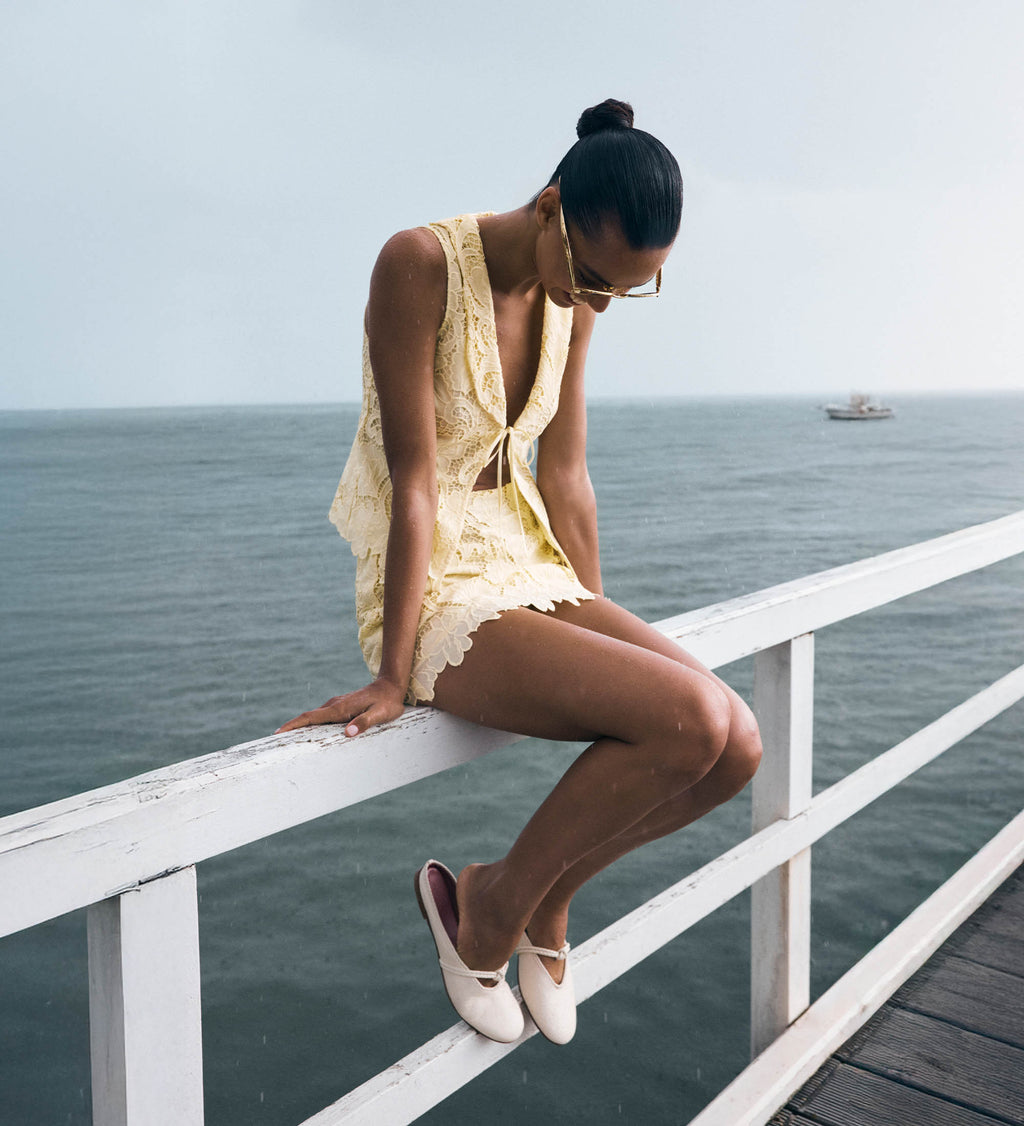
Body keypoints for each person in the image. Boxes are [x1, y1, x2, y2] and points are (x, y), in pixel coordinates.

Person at [278, 99, 762, 1045]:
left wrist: (597, 616)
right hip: (441, 586)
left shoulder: (576, 298)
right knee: (692, 718)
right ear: (547, 207)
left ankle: (541, 900)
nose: (597, 302)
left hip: (529, 564)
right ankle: (485, 910)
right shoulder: (418, 264)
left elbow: (566, 475)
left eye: (628, 290)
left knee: (734, 746)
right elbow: (414, 481)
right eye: (592, 275)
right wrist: (392, 669)